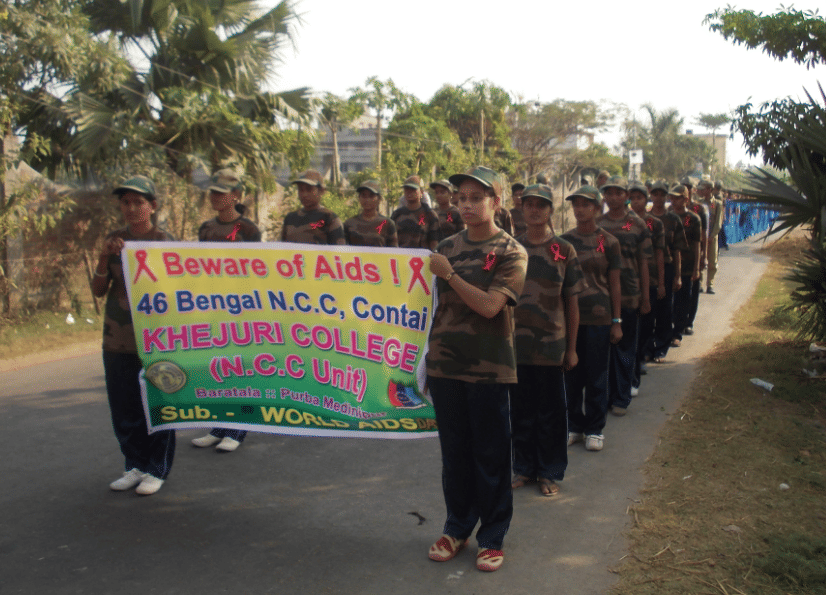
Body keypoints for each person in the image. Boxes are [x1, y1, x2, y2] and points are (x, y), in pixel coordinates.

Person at [426, 165, 528, 572]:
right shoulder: (446, 246)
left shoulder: (511, 252)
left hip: (488, 369)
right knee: (455, 455)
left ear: (496, 202)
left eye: (476, 198)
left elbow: (490, 306)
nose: (466, 205)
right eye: (461, 198)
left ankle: (492, 536)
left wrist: (449, 275)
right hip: (446, 367)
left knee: (491, 455)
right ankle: (456, 527)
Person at [92, 175, 176, 496]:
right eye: (125, 202)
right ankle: (134, 464)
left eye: (138, 202)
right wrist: (103, 256)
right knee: (123, 405)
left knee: (157, 403)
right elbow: (98, 290)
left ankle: (157, 468)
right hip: (118, 340)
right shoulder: (113, 241)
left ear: (152, 206)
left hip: (156, 339)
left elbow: (178, 292)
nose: (131, 208)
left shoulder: (164, 242)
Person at [510, 184, 585, 496]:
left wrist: (571, 348)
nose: (535, 210)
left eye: (541, 205)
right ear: (522, 208)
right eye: (529, 204)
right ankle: (524, 468)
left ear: (551, 211)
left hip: (551, 347)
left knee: (552, 413)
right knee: (521, 411)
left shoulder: (563, 250)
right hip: (516, 348)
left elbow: (572, 302)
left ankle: (549, 472)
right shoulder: (511, 249)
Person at [191, 169, 262, 453]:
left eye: (221, 193)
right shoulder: (206, 228)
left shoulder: (249, 230)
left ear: (235, 196)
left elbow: (257, 269)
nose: (215, 197)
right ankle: (218, 426)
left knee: (239, 368)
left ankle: (237, 429)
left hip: (241, 309)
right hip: (212, 308)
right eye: (213, 192)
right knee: (216, 368)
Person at [561, 186, 622, 452]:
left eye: (585, 204)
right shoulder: (563, 243)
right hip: (569, 318)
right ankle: (574, 425)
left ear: (597, 208)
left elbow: (614, 283)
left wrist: (617, 321)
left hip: (599, 316)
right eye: (575, 204)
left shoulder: (608, 242)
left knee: (597, 374)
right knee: (571, 375)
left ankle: (595, 428)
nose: (579, 209)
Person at [596, 177, 652, 415]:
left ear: (626, 195)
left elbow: (644, 262)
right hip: (601, 296)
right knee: (604, 350)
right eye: (610, 193)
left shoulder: (636, 224)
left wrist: (646, 297)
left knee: (626, 348)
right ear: (605, 196)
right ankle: (607, 395)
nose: (614, 197)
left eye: (619, 193)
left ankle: (622, 396)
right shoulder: (598, 224)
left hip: (629, 293)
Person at [628, 182, 664, 387]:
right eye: (632, 198)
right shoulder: (625, 223)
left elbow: (659, 254)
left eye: (639, 198)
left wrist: (660, 283)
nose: (635, 202)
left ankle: (642, 356)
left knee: (647, 322)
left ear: (645, 200)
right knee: (633, 325)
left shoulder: (654, 224)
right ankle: (634, 360)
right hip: (630, 282)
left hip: (649, 279)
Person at [648, 181, 688, 363]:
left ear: (666, 198)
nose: (658, 198)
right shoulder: (644, 219)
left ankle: (661, 348)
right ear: (651, 195)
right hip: (648, 268)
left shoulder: (673, 220)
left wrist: (678, 276)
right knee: (647, 310)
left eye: (661, 195)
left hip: (668, 266)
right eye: (655, 194)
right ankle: (647, 348)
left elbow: (677, 250)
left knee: (665, 310)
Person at [669, 185, 701, 348]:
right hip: (670, 264)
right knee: (669, 301)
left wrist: (697, 268)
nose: (674, 201)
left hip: (688, 264)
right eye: (672, 197)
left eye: (678, 198)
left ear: (686, 200)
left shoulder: (693, 218)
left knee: (684, 300)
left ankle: (678, 332)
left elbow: (697, 244)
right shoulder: (667, 216)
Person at [281, 170, 345, 245]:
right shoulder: (290, 218)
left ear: (321, 191)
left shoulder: (329, 218)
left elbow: (339, 252)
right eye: (301, 189)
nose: (304, 194)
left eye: (309, 189)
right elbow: (283, 249)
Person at [391, 175, 441, 250]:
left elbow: (434, 243)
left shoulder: (430, 215)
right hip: (400, 258)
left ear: (421, 192)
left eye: (413, 189)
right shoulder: (397, 214)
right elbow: (391, 241)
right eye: (406, 189)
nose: (409, 192)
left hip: (422, 259)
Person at [344, 180, 398, 247]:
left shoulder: (387, 224)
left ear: (379, 199)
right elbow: (343, 251)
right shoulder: (349, 223)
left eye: (371, 196)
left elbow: (394, 252)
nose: (367, 200)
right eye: (363, 195)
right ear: (359, 198)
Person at [700, 179, 725, 294]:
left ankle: (710, 284)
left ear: (710, 189)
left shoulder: (717, 204)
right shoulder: (699, 204)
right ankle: (699, 283)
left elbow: (718, 222)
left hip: (712, 237)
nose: (702, 190)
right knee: (700, 259)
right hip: (701, 237)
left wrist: (712, 235)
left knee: (712, 261)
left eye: (704, 188)